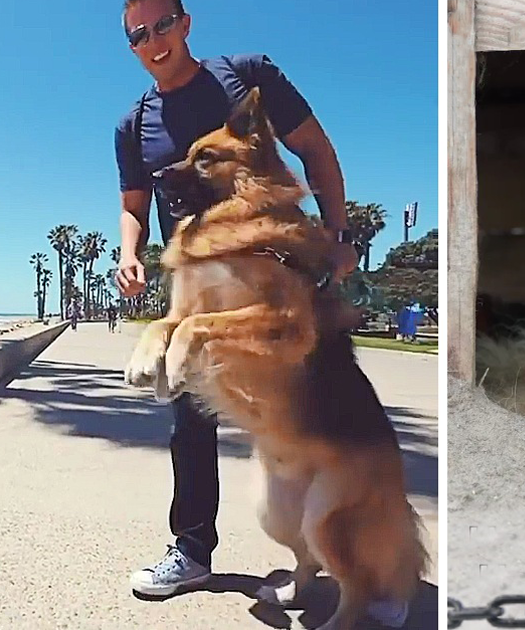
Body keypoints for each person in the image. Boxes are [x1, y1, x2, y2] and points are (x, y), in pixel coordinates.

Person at [112, 0, 358, 599]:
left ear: (186, 22)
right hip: (198, 277)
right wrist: (129, 252)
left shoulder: (244, 76)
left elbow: (316, 149)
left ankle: (362, 553)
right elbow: (133, 205)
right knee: (190, 418)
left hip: (274, 262)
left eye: (162, 24)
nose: (153, 40)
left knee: (332, 405)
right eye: (138, 34)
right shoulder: (133, 124)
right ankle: (192, 550)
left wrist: (338, 231)